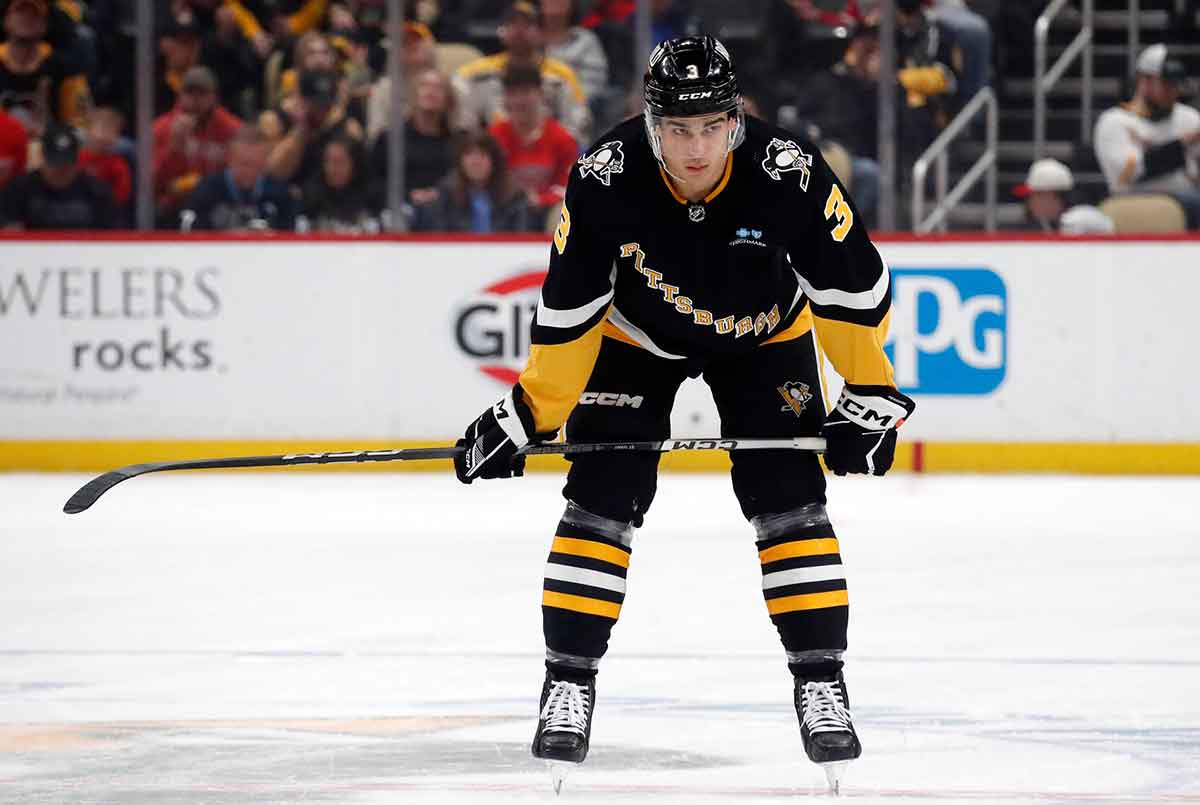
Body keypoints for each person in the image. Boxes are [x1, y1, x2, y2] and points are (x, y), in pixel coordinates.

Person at [451, 36, 914, 793]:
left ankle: (821, 682)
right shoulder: (605, 179)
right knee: (599, 499)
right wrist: (528, 414)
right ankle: (568, 682)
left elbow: (852, 293)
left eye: (710, 128)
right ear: (649, 121)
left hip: (767, 335)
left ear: (734, 121)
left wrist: (869, 396)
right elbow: (569, 317)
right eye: (677, 130)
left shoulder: (786, 173)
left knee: (790, 501)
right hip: (634, 336)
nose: (695, 148)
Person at [1093, 44, 1200, 229]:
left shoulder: (1189, 118)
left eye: (1176, 85)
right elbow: (1127, 174)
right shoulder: (1116, 122)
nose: (1173, 92)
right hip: (1134, 199)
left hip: (1188, 197)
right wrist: (1180, 146)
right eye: (1166, 84)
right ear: (1145, 81)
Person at [454, 1, 592, 143]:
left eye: (527, 25)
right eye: (512, 24)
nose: (519, 31)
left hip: (549, 152)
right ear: (501, 32)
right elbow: (462, 121)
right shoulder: (476, 72)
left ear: (540, 32)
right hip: (492, 153)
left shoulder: (561, 74)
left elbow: (577, 122)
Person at [152, 65, 243, 222]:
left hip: (217, 206)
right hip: (172, 205)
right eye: (189, 93)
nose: (195, 99)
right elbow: (151, 182)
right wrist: (174, 148)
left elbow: (241, 177)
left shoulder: (232, 129)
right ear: (180, 95)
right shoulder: (161, 128)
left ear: (214, 97)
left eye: (202, 94)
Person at [489, 64, 578, 220]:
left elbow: (569, 187)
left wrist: (541, 199)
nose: (518, 101)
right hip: (501, 211)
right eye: (512, 93)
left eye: (525, 92)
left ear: (541, 94)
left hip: (546, 213)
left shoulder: (563, 138)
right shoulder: (494, 136)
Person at [369, 66, 460, 209]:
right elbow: (373, 184)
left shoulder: (457, 143)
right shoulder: (389, 138)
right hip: (398, 214)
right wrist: (409, 196)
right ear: (414, 94)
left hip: (444, 217)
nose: (431, 92)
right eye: (425, 85)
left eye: (439, 88)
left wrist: (439, 194)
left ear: (448, 100)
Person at [412, 130, 533, 232]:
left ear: (494, 161)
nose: (475, 162)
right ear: (461, 160)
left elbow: (520, 237)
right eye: (469, 154)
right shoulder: (447, 194)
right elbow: (440, 237)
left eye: (482, 155)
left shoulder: (514, 197)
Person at [180, 125, 296, 231]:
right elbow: (193, 234)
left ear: (265, 163)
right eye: (243, 163)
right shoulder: (207, 190)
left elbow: (290, 235)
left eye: (256, 164)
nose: (249, 170)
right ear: (229, 159)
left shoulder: (281, 195)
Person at [0, 0, 90, 133]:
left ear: (44, 25)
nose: (27, 18)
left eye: (35, 15)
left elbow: (80, 125)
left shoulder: (65, 68)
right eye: (20, 12)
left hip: (49, 146)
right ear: (6, 21)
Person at [1, 123, 114, 229]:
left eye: (66, 165)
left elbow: (111, 237)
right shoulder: (19, 190)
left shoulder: (97, 192)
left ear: (76, 161)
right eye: (55, 164)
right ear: (43, 158)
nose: (60, 171)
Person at [299, 135, 379, 232]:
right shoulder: (311, 196)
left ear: (355, 165)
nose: (330, 169)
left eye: (339, 162)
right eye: (327, 161)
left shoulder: (373, 195)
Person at [1013, 158, 1114, 235]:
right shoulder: (1049, 223)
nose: (1030, 202)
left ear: (1053, 196)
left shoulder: (1083, 220)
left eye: (1036, 195)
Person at [78, 106, 131, 211]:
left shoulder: (118, 164)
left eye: (111, 130)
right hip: (79, 208)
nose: (103, 136)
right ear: (89, 131)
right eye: (101, 128)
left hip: (106, 212)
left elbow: (122, 195)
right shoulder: (78, 157)